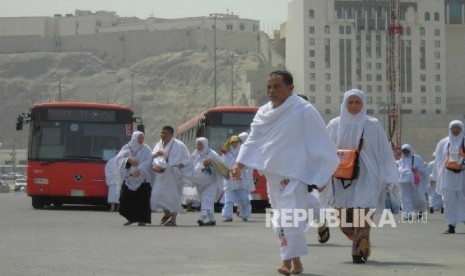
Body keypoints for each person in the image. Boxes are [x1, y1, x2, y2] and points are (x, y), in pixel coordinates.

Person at [230, 70, 340, 275]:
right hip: (273, 172)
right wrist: (239, 164)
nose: (272, 91)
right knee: (280, 218)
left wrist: (320, 170)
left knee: (289, 216)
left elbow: (320, 139)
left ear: (290, 88)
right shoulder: (263, 112)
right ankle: (296, 261)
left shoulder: (304, 110)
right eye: (269, 87)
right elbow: (254, 139)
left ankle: (286, 262)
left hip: (295, 172)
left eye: (277, 86)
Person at [326, 89, 399, 264]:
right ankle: (360, 241)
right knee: (344, 222)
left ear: (363, 104)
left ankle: (358, 250)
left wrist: (389, 177)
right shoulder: (335, 125)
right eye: (350, 102)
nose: (353, 106)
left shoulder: (372, 125)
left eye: (357, 102)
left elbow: (384, 153)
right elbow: (324, 150)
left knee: (362, 213)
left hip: (368, 176)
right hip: (342, 177)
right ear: (344, 104)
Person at [151, 125, 191, 226]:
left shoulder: (179, 145)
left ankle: (173, 219)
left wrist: (180, 164)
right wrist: (157, 156)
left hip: (174, 174)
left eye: (165, 133)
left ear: (171, 134)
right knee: (157, 195)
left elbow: (187, 159)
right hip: (161, 173)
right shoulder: (159, 144)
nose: (162, 135)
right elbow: (152, 155)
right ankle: (167, 213)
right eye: (162, 133)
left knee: (174, 196)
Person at [432, 120, 465, 234]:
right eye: (453, 128)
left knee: (463, 200)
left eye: (457, 128)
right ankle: (451, 225)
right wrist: (434, 177)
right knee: (448, 202)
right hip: (447, 177)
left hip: (462, 176)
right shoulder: (444, 142)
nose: (455, 130)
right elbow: (438, 161)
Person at [116, 131, 154, 226]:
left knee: (142, 199)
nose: (141, 140)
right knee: (125, 198)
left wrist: (139, 170)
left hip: (142, 177)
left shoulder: (146, 148)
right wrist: (128, 160)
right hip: (129, 177)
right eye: (139, 138)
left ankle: (142, 220)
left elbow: (149, 160)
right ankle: (131, 218)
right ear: (134, 138)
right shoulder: (126, 147)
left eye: (142, 138)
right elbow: (118, 159)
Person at [221, 133, 254, 222]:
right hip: (229, 179)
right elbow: (223, 164)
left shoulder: (243, 151)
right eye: (232, 142)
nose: (234, 144)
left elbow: (248, 164)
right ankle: (227, 216)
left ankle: (245, 214)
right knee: (228, 199)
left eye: (236, 142)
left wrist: (239, 168)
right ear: (230, 143)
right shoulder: (226, 152)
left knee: (244, 199)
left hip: (241, 178)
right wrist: (229, 171)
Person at [191, 137, 224, 226]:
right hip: (200, 182)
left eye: (200, 144)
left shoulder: (212, 154)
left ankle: (202, 218)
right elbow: (191, 166)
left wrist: (211, 162)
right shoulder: (195, 154)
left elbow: (221, 164)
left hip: (211, 181)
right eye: (197, 144)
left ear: (205, 144)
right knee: (206, 200)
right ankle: (212, 219)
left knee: (207, 198)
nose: (198, 146)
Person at [397, 144, 428, 220]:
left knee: (419, 198)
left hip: (416, 182)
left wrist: (417, 169)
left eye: (407, 151)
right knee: (405, 198)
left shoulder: (417, 158)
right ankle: (408, 214)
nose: (406, 153)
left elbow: (423, 169)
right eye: (404, 152)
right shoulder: (401, 160)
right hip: (404, 182)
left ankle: (420, 210)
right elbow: (399, 170)